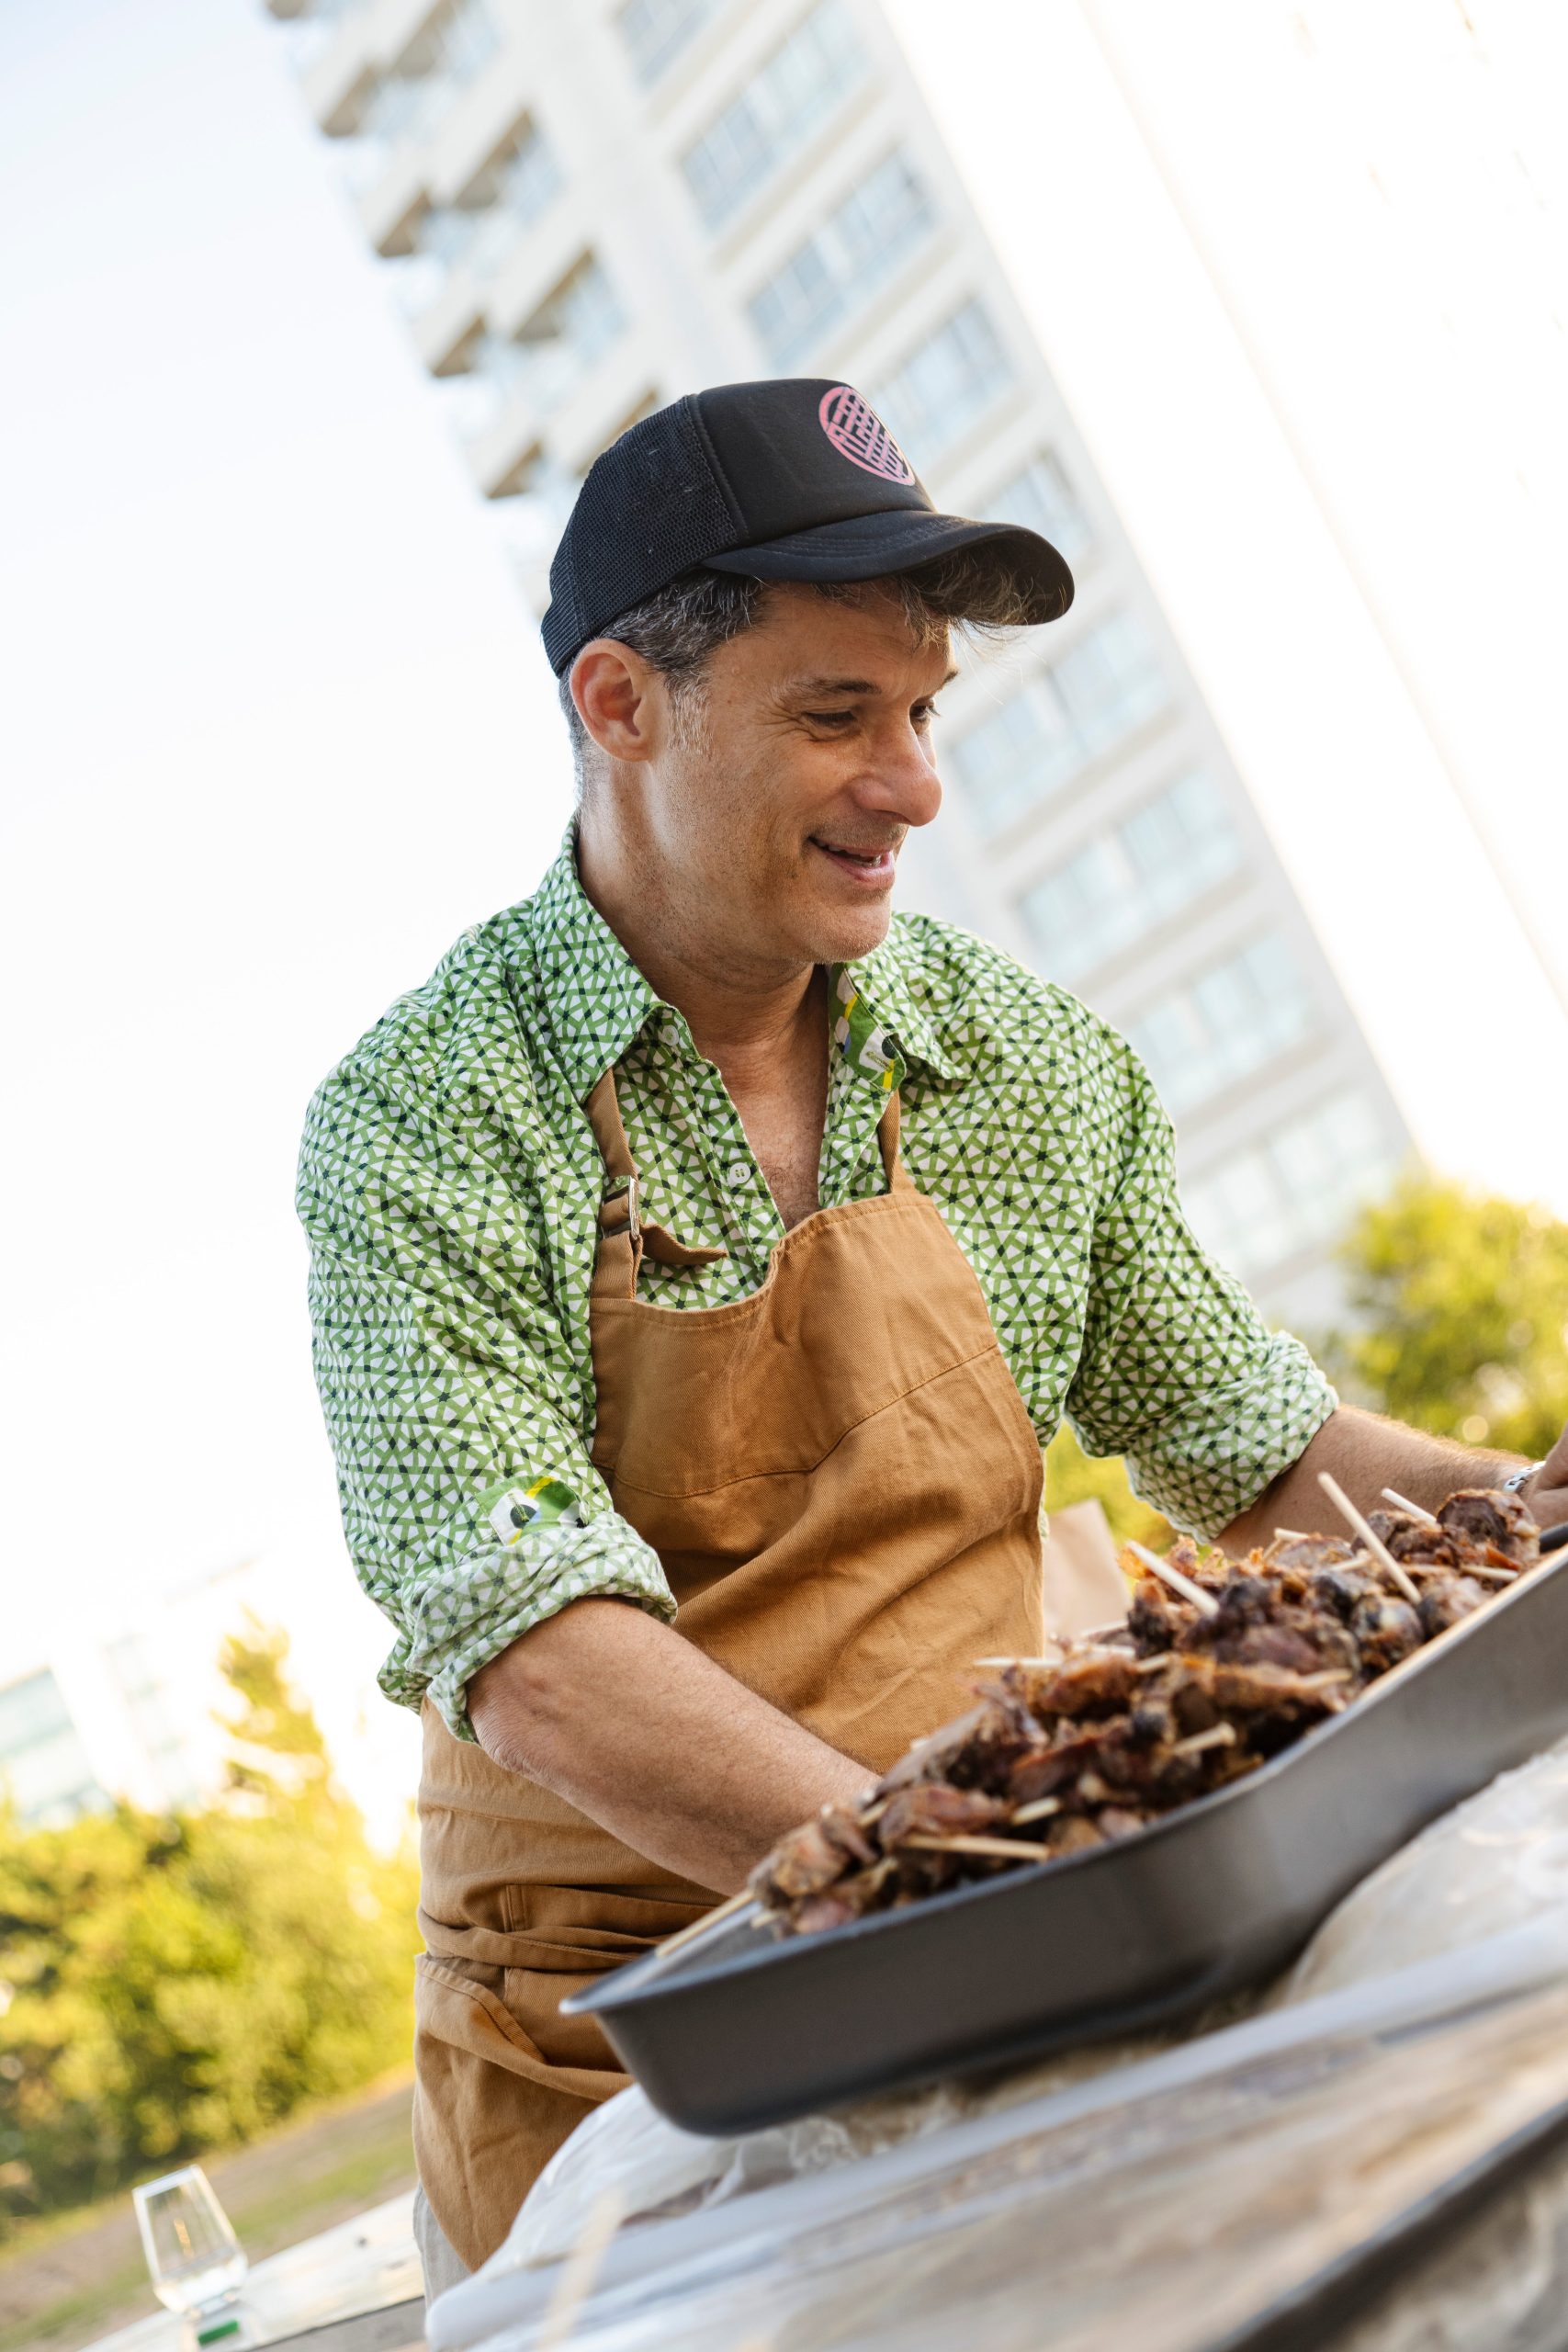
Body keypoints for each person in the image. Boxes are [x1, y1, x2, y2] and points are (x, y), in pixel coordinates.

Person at [296, 378, 1568, 2296]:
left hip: (1039, 1924)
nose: (910, 783)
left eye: (918, 714)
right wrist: (977, 1893)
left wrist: (1531, 1513)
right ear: (620, 705)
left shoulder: (1024, 1065)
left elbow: (1264, 1450)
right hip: (637, 2061)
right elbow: (536, 1645)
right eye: (834, 716)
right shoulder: (428, 1114)